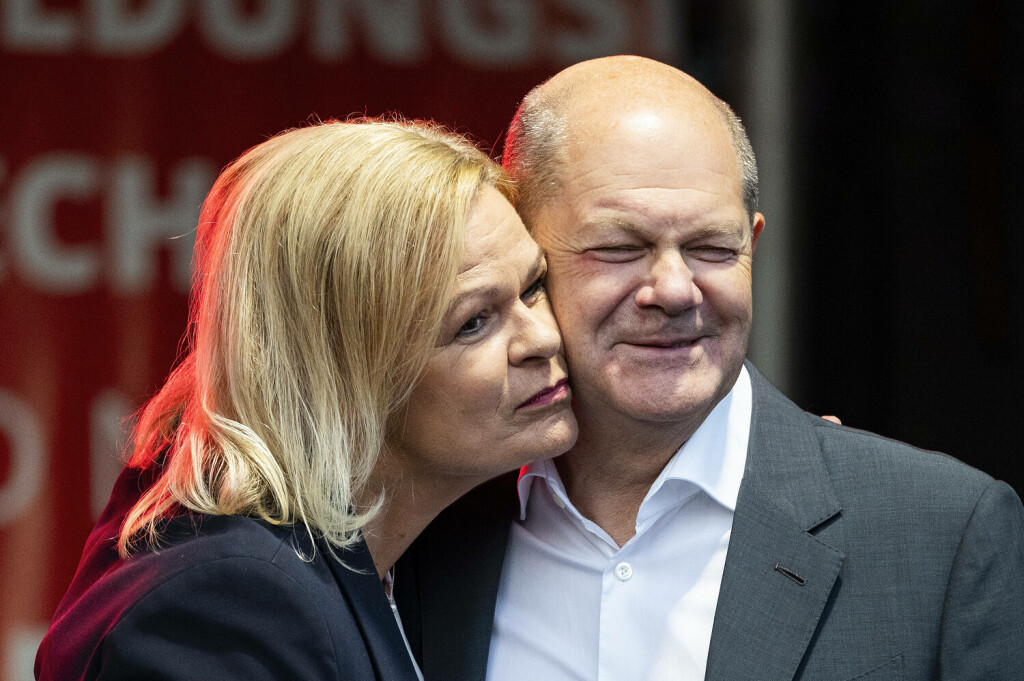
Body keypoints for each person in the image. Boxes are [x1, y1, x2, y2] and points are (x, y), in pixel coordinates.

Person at [394, 56, 1024, 680]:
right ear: (524, 250)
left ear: (754, 245)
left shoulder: (941, 536)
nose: (674, 290)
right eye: (619, 248)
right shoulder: (420, 523)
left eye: (712, 248)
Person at [34, 119, 578, 680]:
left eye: (534, 286)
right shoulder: (226, 606)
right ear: (341, 373)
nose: (543, 337)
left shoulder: (399, 556)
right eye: (474, 322)